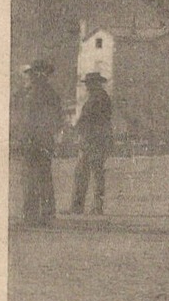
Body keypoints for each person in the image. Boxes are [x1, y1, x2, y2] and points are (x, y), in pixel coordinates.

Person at [13, 59, 63, 226]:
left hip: (32, 141)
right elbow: (57, 119)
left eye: (34, 74)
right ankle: (45, 214)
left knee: (31, 178)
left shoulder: (31, 94)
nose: (32, 77)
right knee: (42, 177)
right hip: (41, 141)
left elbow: (25, 119)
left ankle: (33, 215)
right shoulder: (50, 93)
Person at [70, 71, 113, 214]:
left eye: (89, 83)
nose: (87, 86)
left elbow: (90, 119)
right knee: (90, 172)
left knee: (91, 172)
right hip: (94, 139)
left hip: (94, 140)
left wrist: (78, 127)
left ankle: (88, 206)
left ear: (95, 84)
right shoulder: (99, 97)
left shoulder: (98, 99)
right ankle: (85, 206)